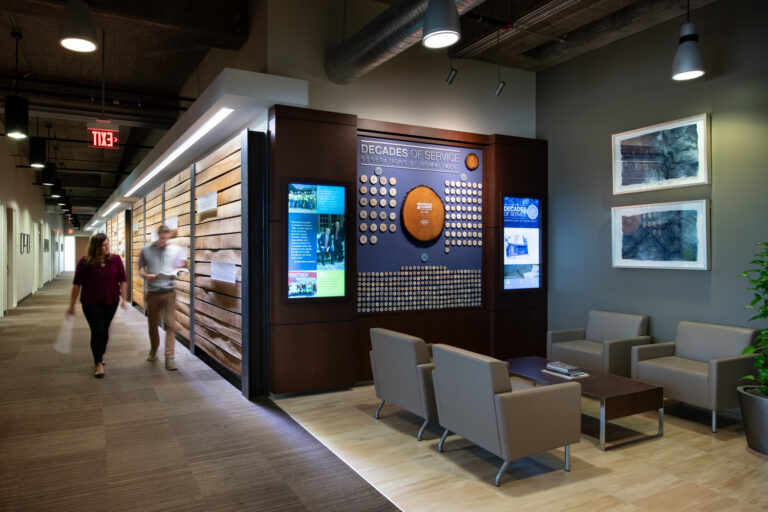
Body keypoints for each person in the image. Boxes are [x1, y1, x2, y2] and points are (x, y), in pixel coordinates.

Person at [67, 233, 128, 378]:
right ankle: (99, 363)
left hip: (111, 301)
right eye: (104, 245)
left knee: (105, 330)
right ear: (96, 246)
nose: (107, 247)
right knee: (97, 330)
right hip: (90, 302)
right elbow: (77, 284)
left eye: (108, 244)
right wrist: (71, 305)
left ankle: (100, 353)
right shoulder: (85, 262)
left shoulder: (116, 260)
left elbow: (123, 280)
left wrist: (124, 299)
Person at [138, 224, 186, 370]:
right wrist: (147, 276)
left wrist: (177, 273)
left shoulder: (175, 250)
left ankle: (169, 358)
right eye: (162, 238)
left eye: (167, 238)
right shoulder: (146, 250)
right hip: (152, 293)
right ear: (158, 235)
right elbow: (140, 270)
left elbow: (179, 267)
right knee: (153, 323)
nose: (165, 241)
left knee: (171, 325)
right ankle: (154, 349)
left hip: (169, 292)